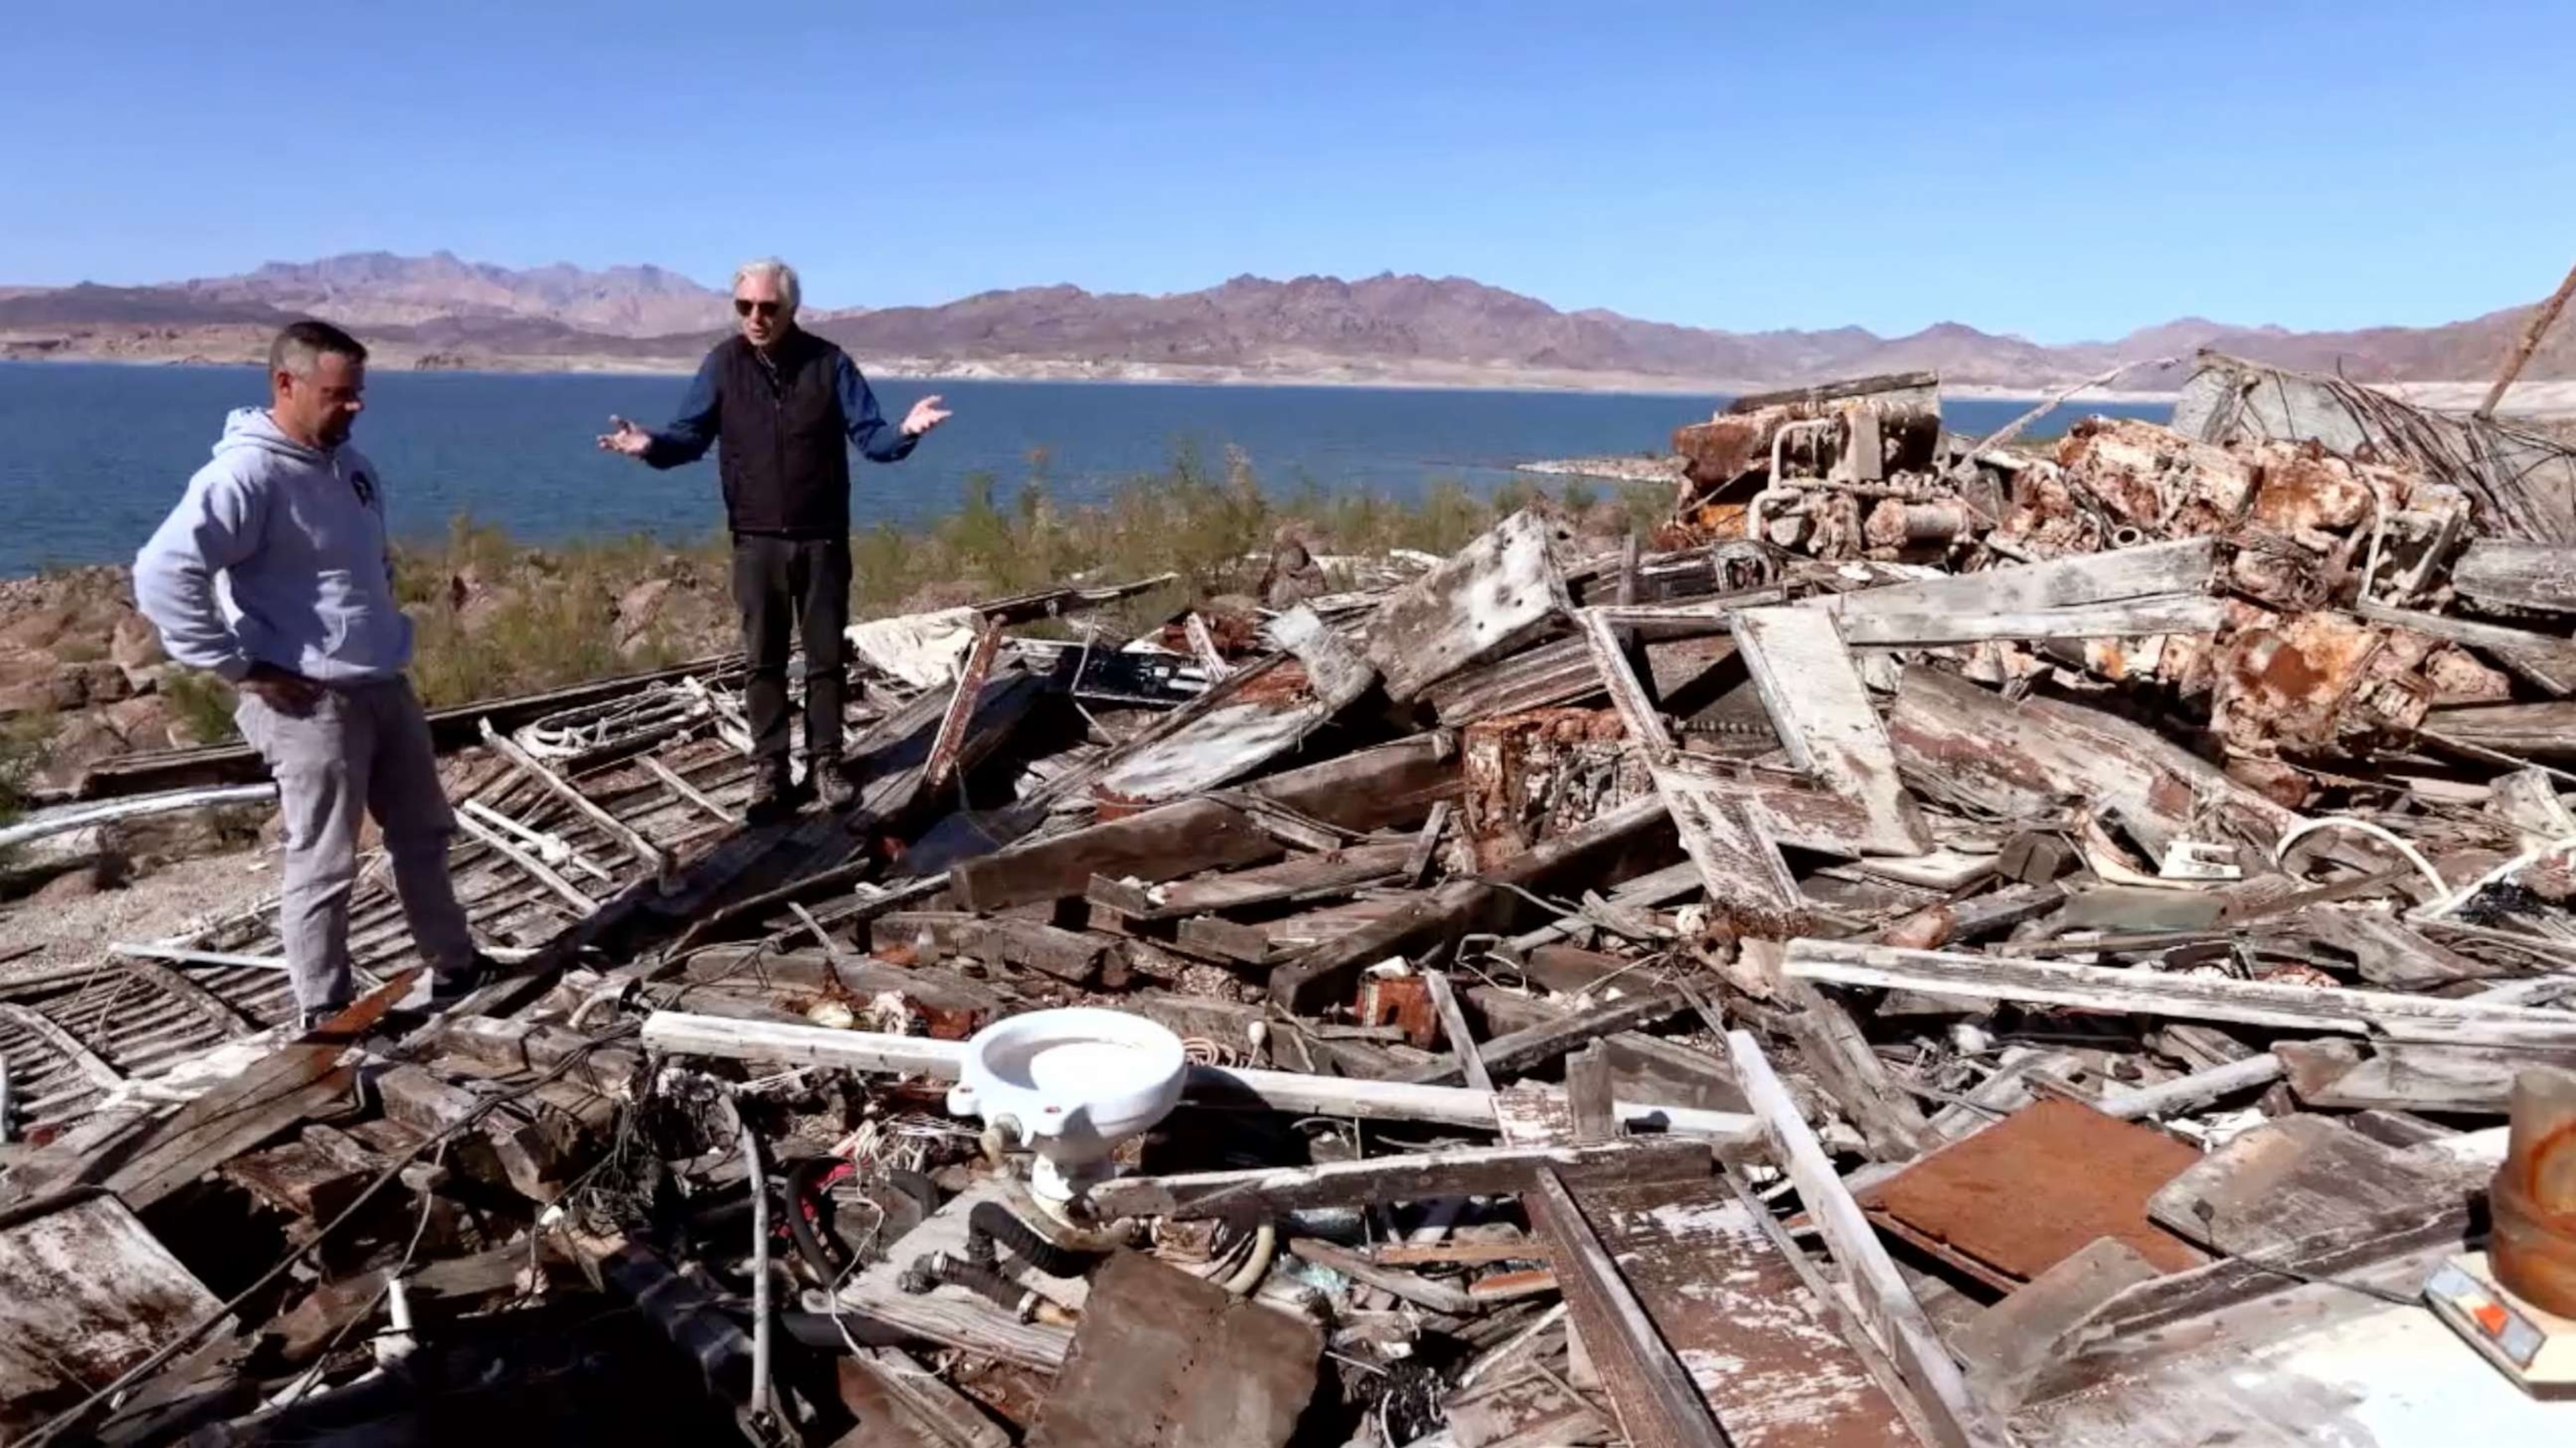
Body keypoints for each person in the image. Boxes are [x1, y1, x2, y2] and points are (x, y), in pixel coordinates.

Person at [134, 320, 493, 1026]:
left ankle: (454, 966)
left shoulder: (351, 464)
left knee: (423, 832)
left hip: (381, 681)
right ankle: (324, 1012)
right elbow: (163, 571)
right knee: (325, 859)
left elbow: (365, 564)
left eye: (359, 393)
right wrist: (238, 665)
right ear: (285, 385)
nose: (354, 407)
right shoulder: (246, 475)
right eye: (338, 394)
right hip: (308, 697)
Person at [597, 258, 948, 816]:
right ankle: (770, 771)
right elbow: (689, 437)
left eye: (767, 307)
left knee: (825, 657)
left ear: (791, 309)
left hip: (822, 540)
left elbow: (872, 438)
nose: (755, 317)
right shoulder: (723, 365)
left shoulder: (829, 363)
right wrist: (651, 445)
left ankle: (826, 763)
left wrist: (906, 431)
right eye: (744, 307)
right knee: (761, 659)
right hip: (756, 541)